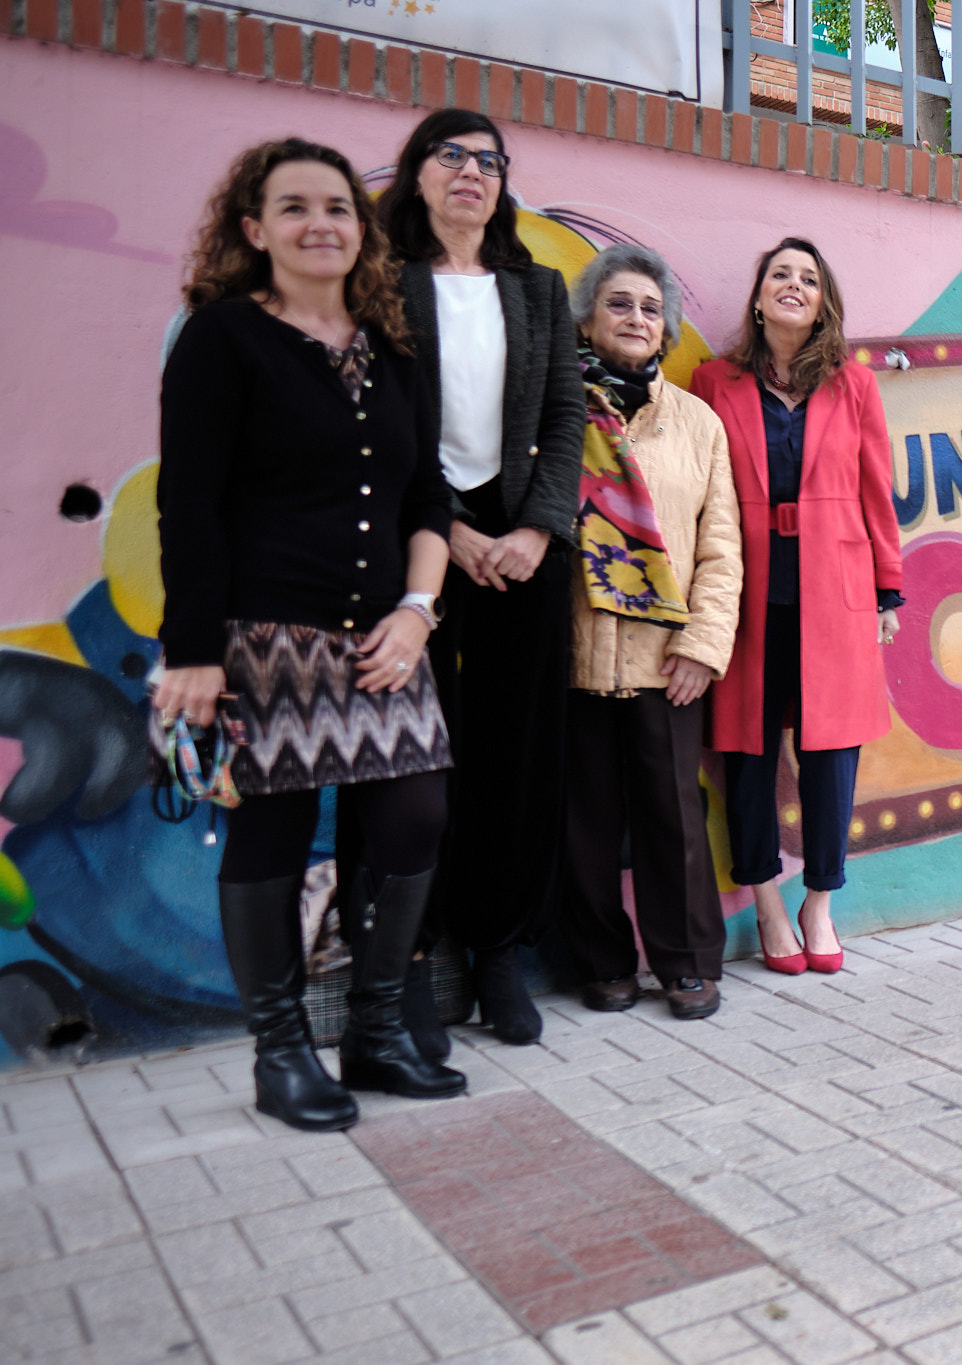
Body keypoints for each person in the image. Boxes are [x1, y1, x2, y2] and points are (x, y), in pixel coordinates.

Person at [155, 138, 464, 1131]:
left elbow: (429, 494)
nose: (319, 223)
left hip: (386, 636)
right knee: (273, 831)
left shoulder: (394, 344)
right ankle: (281, 1056)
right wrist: (193, 650)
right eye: (293, 208)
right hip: (264, 635)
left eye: (336, 206)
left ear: (360, 228)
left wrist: (417, 612)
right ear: (254, 230)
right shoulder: (221, 339)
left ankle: (373, 1034)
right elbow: (188, 505)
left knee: (415, 817)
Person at [378, 109, 584, 1051]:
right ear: (416, 175)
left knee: (516, 750)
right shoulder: (380, 285)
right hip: (416, 544)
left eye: (489, 161)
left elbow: (564, 414)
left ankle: (496, 950)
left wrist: (538, 529)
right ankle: (412, 959)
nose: (472, 172)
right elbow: (374, 427)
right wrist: (447, 531)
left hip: (521, 550)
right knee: (409, 758)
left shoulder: (537, 289)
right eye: (451, 156)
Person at [690, 238, 903, 972]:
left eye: (808, 278)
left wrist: (888, 587)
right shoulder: (713, 381)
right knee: (746, 752)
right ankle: (768, 902)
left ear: (823, 304)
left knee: (830, 753)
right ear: (757, 297)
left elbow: (877, 489)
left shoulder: (854, 385)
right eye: (780, 273)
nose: (793, 284)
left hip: (835, 591)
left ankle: (819, 900)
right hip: (746, 592)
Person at [559, 245, 742, 1018]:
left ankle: (688, 962)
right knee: (584, 822)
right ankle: (602, 961)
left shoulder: (697, 424)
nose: (636, 318)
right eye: (619, 303)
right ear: (589, 317)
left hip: (667, 659)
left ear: (666, 329)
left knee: (674, 817)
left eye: (649, 308)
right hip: (570, 655)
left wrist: (703, 646)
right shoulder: (555, 404)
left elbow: (721, 548)